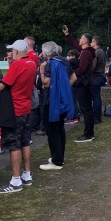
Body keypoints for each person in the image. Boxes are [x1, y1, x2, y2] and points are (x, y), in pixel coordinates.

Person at [0, 40, 37, 194]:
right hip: (26, 107)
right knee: (25, 141)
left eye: (12, 51)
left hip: (14, 109)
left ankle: (15, 180)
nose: (11, 54)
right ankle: (27, 174)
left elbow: (3, 85)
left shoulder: (17, 65)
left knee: (14, 144)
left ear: (17, 52)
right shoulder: (32, 63)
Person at [39, 42, 76, 171]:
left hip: (51, 102)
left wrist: (41, 71)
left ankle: (57, 161)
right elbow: (73, 78)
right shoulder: (65, 61)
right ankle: (59, 156)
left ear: (46, 52)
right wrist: (63, 91)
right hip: (62, 101)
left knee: (52, 131)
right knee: (60, 129)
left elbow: (46, 83)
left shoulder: (49, 64)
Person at [62, 26, 96, 143]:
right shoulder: (85, 52)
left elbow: (81, 69)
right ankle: (89, 133)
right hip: (84, 83)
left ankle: (88, 134)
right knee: (87, 109)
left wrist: (71, 74)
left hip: (83, 84)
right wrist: (67, 34)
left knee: (86, 109)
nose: (79, 39)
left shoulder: (86, 53)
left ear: (86, 41)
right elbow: (75, 46)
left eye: (81, 38)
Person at [90, 36, 106, 124]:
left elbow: (93, 65)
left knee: (95, 97)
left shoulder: (96, 52)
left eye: (92, 41)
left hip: (95, 76)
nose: (91, 43)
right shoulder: (102, 51)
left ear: (95, 42)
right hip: (100, 76)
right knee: (97, 97)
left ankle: (96, 117)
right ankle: (98, 116)